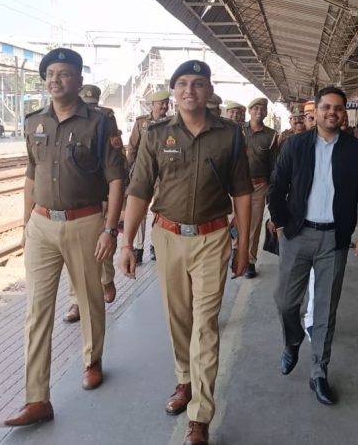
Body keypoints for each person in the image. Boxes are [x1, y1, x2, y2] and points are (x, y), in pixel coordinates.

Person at [118, 60, 252, 445]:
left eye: (197, 83)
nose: (189, 90)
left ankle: (200, 416)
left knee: (205, 325)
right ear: (174, 91)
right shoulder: (156, 134)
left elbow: (242, 193)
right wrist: (127, 243)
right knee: (178, 319)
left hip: (212, 238)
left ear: (208, 91)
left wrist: (243, 246)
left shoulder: (230, 135)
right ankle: (185, 380)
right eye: (182, 84)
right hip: (168, 237)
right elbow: (139, 190)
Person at [4, 48, 126, 427]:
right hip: (41, 225)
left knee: (89, 299)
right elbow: (30, 174)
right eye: (50, 74)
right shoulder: (34, 122)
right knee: (36, 311)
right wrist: (25, 224)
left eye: (64, 74)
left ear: (78, 79)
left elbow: (116, 179)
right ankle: (37, 398)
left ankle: (92, 360)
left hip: (85, 222)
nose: (55, 80)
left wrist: (110, 229)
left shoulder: (100, 123)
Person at [268, 86, 358, 406]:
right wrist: (282, 224)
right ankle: (292, 341)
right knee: (285, 301)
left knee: (326, 309)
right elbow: (277, 187)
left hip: (334, 238)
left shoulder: (356, 150)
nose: (332, 112)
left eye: (338, 108)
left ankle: (318, 372)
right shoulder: (295, 145)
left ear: (344, 114)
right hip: (298, 234)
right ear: (314, 112)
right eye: (326, 107)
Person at [59, 84, 122, 324]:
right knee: (72, 255)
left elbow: (118, 164)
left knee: (102, 245)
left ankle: (106, 280)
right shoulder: (67, 121)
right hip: (76, 200)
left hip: (102, 196)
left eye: (92, 104)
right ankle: (76, 300)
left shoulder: (105, 119)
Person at [127, 89, 171, 265]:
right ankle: (138, 248)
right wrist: (132, 170)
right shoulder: (141, 123)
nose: (164, 106)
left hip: (162, 174)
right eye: (161, 103)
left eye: (166, 103)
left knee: (159, 209)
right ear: (153, 104)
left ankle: (154, 244)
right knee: (141, 209)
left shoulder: (171, 123)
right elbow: (132, 147)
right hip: (143, 172)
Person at [242, 97, 278, 278]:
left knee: (254, 225)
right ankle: (237, 252)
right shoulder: (238, 131)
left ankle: (250, 261)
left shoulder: (271, 135)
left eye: (262, 109)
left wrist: (272, 191)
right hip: (237, 186)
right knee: (235, 222)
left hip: (259, 185)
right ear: (249, 110)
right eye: (255, 108)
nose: (259, 111)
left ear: (265, 113)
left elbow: (273, 165)